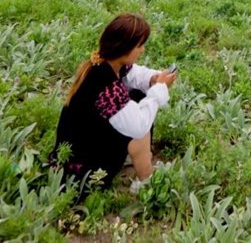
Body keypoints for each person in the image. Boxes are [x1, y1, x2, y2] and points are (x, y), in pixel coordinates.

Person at [50, 14, 176, 194]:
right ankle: (146, 181)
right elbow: (138, 126)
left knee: (140, 95)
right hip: (85, 176)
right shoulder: (106, 87)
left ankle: (136, 157)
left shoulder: (102, 65)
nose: (143, 49)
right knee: (139, 128)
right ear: (125, 48)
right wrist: (160, 89)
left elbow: (134, 74)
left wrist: (152, 80)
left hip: (80, 149)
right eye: (139, 45)